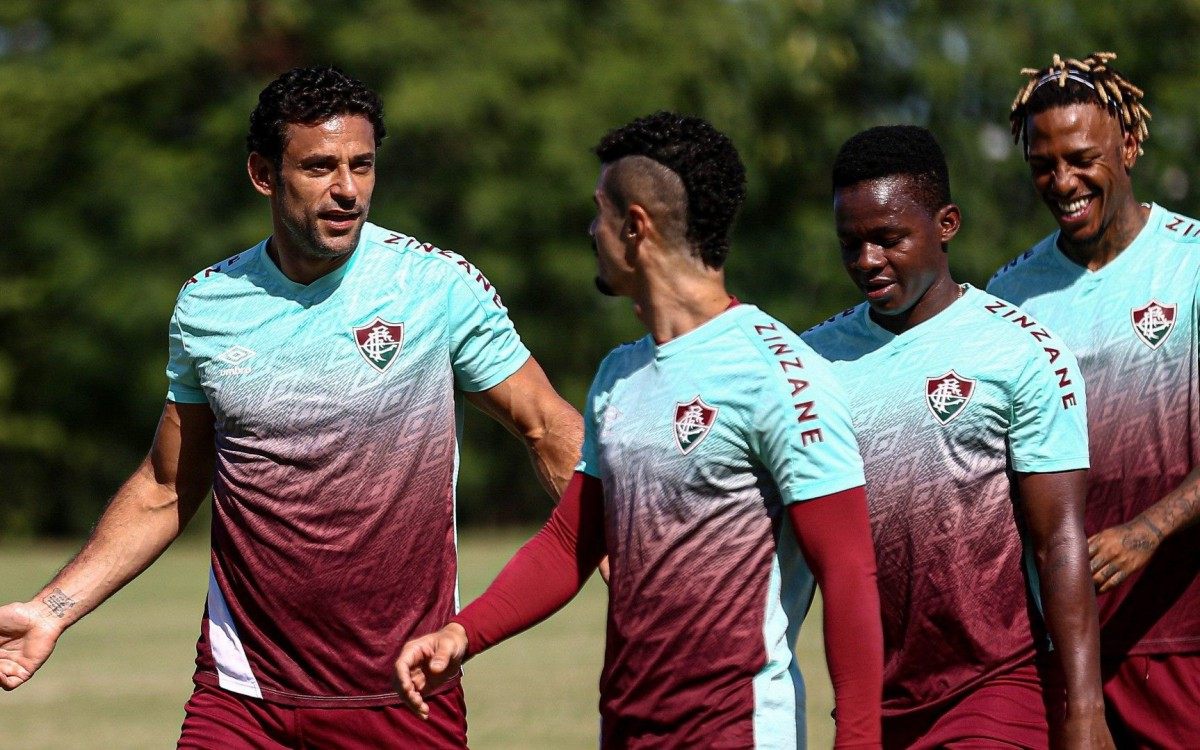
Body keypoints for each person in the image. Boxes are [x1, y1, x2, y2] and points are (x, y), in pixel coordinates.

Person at [0, 65, 582, 748]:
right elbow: (166, 486)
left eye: (361, 166)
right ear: (263, 174)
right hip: (242, 695)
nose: (346, 190)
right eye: (319, 167)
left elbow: (544, 424)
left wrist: (620, 538)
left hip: (403, 688)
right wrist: (52, 608)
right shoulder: (208, 305)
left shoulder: (435, 287)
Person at [395, 111, 884, 748]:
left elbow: (848, 572)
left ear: (636, 226)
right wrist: (462, 634)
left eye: (600, 213)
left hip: (737, 733)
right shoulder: (620, 375)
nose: (591, 231)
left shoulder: (780, 374)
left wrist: (861, 741)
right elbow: (572, 540)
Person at [803, 125, 1112, 749]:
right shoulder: (811, 363)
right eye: (850, 244)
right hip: (870, 700)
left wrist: (1085, 711)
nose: (867, 261)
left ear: (946, 224)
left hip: (998, 686)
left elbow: (1058, 540)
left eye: (888, 239)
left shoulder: (1021, 351)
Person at [990, 51, 1200, 746]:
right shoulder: (1007, 300)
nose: (1063, 181)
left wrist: (1149, 531)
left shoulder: (1191, 264)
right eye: (1044, 165)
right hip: (1067, 649)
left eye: (1082, 158)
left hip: (1185, 633)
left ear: (1130, 146)